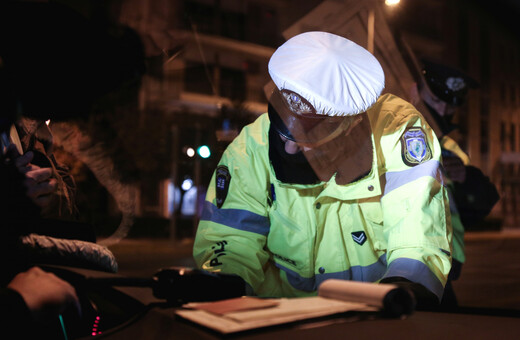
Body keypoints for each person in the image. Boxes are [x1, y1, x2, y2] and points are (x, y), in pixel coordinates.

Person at [193, 32, 453, 308]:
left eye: (309, 136)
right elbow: (230, 239)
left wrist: (404, 291)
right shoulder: (249, 149)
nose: (290, 149)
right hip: (282, 319)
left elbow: (416, 229)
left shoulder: (397, 131)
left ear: (350, 125)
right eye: (285, 128)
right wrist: (224, 286)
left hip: (373, 316)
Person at [409, 59, 499, 308]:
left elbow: (473, 209)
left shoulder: (450, 147)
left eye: (449, 106)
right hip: (407, 264)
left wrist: (466, 180)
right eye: (436, 101)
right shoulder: (392, 135)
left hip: (442, 266)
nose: (442, 111)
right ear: (415, 91)